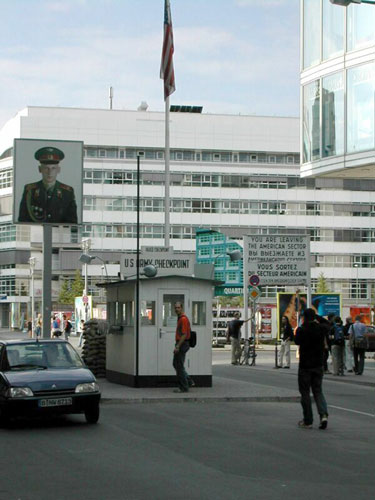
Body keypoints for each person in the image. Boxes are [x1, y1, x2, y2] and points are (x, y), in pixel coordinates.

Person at [18, 146, 77, 223]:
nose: (50, 172)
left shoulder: (67, 192)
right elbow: (22, 221)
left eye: (53, 168)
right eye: (46, 168)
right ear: (40, 169)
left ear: (58, 170)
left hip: (59, 234)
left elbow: (72, 223)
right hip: (35, 234)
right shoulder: (30, 190)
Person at [294, 308, 329, 430]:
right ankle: (323, 415)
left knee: (305, 393)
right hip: (318, 365)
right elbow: (328, 323)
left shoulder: (302, 330)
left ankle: (308, 420)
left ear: (304, 317)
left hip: (305, 366)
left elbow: (296, 341)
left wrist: (306, 320)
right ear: (314, 317)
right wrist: (317, 317)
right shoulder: (321, 329)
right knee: (318, 391)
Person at [173, 301, 192, 393]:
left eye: (178, 307)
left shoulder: (183, 319)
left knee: (179, 365)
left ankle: (184, 387)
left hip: (182, 343)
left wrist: (177, 346)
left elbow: (184, 334)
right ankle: (188, 380)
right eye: (175, 308)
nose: (177, 309)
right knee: (176, 364)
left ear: (182, 308)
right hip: (182, 343)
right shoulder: (180, 318)